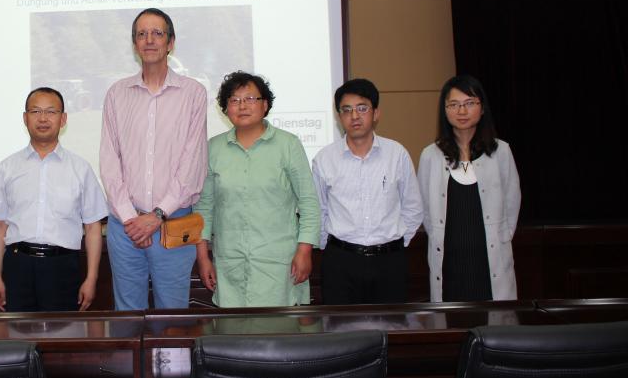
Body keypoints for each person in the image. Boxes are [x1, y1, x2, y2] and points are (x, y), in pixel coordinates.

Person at [99, 8, 208, 310]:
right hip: (125, 227)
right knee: (127, 315)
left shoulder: (193, 93)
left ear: (170, 43)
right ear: (134, 44)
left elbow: (193, 163)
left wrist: (157, 215)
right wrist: (131, 219)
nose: (149, 40)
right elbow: (109, 161)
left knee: (172, 316)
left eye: (157, 33)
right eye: (141, 34)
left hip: (173, 222)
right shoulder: (117, 94)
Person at [195, 72, 320, 307]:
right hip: (230, 264)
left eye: (250, 99)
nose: (242, 106)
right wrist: (203, 257)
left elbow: (309, 202)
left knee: (279, 328)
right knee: (233, 328)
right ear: (225, 108)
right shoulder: (213, 148)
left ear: (265, 105)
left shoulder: (288, 145)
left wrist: (305, 251)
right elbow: (204, 208)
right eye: (234, 100)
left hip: (279, 265)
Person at [0, 87, 108, 312]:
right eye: (35, 111)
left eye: (51, 112)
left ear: (63, 119)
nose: (43, 118)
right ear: (25, 118)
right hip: (18, 265)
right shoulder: (7, 167)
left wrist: (91, 279)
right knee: (17, 332)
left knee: (62, 332)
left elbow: (93, 228)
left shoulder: (80, 168)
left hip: (62, 266)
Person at [311, 78, 423, 305]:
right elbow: (318, 210)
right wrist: (330, 248)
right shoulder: (324, 158)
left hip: (389, 262)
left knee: (392, 324)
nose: (354, 116)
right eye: (347, 110)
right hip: (341, 263)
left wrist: (395, 244)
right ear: (339, 116)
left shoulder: (396, 154)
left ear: (376, 113)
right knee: (341, 327)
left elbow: (412, 207)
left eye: (362, 108)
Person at [417, 75, 521, 302]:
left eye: (469, 103)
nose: (461, 111)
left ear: (482, 108)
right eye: (453, 104)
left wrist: (500, 236)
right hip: (449, 263)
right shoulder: (430, 156)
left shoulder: (501, 152)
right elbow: (424, 209)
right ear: (445, 110)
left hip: (490, 261)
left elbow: (512, 203)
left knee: (495, 320)